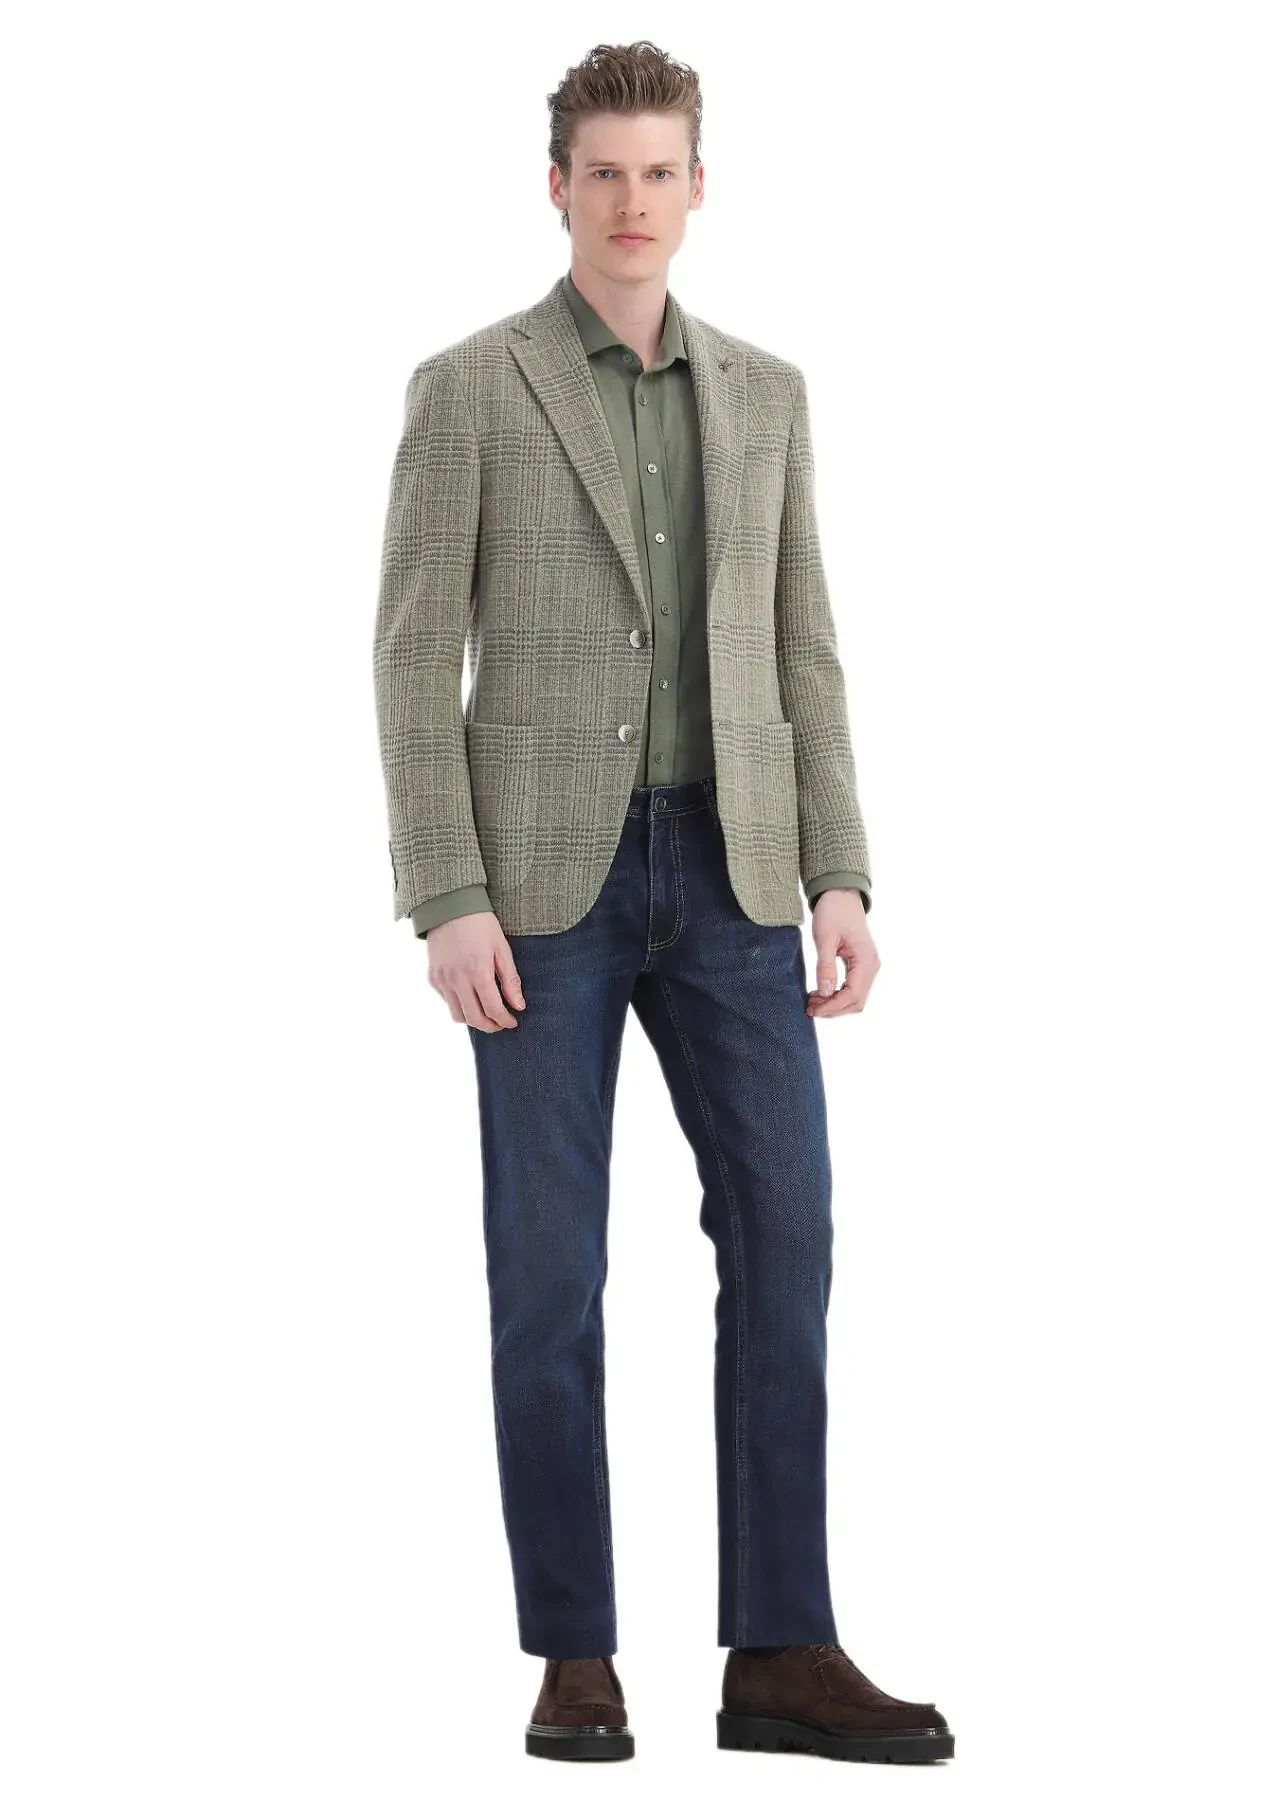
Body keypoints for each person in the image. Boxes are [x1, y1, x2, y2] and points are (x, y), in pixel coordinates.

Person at [372, 38, 954, 1766]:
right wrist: (446, 891)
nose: (633, 202)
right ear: (557, 189)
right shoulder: (470, 389)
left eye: (660, 172)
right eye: (604, 173)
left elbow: (804, 645)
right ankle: (576, 1655)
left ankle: (781, 1647)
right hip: (537, 892)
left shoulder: (767, 394)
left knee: (789, 1239)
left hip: (736, 872)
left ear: (701, 188)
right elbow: (412, 658)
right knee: (550, 1275)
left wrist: (839, 867)